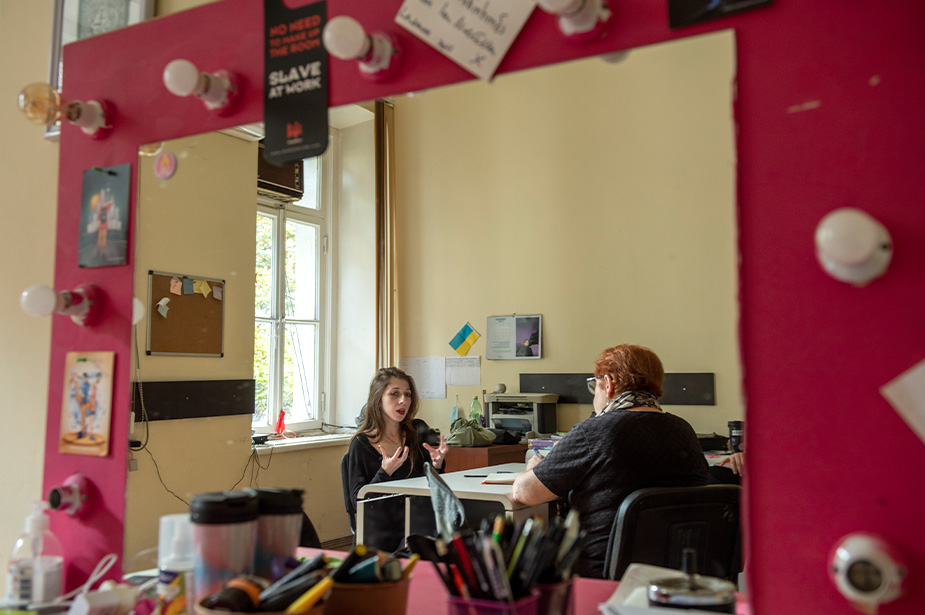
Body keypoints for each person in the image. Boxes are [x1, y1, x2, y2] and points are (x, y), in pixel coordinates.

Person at [511, 344, 709, 578]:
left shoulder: (595, 431)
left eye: (595, 386)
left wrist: (537, 468)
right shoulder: (683, 430)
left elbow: (524, 492)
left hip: (603, 573)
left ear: (609, 383)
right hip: (674, 574)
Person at [345, 366, 449, 552]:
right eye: (394, 394)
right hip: (382, 531)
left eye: (407, 395)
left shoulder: (417, 431)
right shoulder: (361, 444)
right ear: (378, 400)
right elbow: (358, 501)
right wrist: (385, 472)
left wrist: (437, 465)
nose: (403, 401)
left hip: (420, 523)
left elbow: (430, 488)